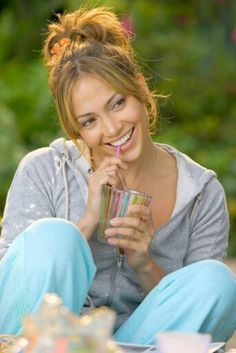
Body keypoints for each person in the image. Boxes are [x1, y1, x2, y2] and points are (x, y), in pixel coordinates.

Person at [0, 6, 236, 344]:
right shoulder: (45, 171)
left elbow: (194, 312)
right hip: (47, 346)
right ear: (76, 130)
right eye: (89, 121)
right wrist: (87, 222)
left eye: (117, 103)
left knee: (216, 281)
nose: (112, 128)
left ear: (139, 87)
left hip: (138, 345)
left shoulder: (201, 195)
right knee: (55, 236)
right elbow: (13, 290)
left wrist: (144, 261)